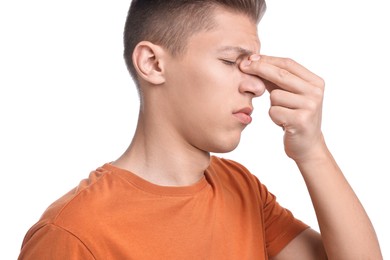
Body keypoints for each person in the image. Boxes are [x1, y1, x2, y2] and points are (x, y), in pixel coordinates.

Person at [18, 0, 383, 259]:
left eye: (253, 68)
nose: (256, 86)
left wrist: (312, 150)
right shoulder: (71, 234)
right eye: (230, 61)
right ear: (152, 63)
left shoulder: (243, 190)